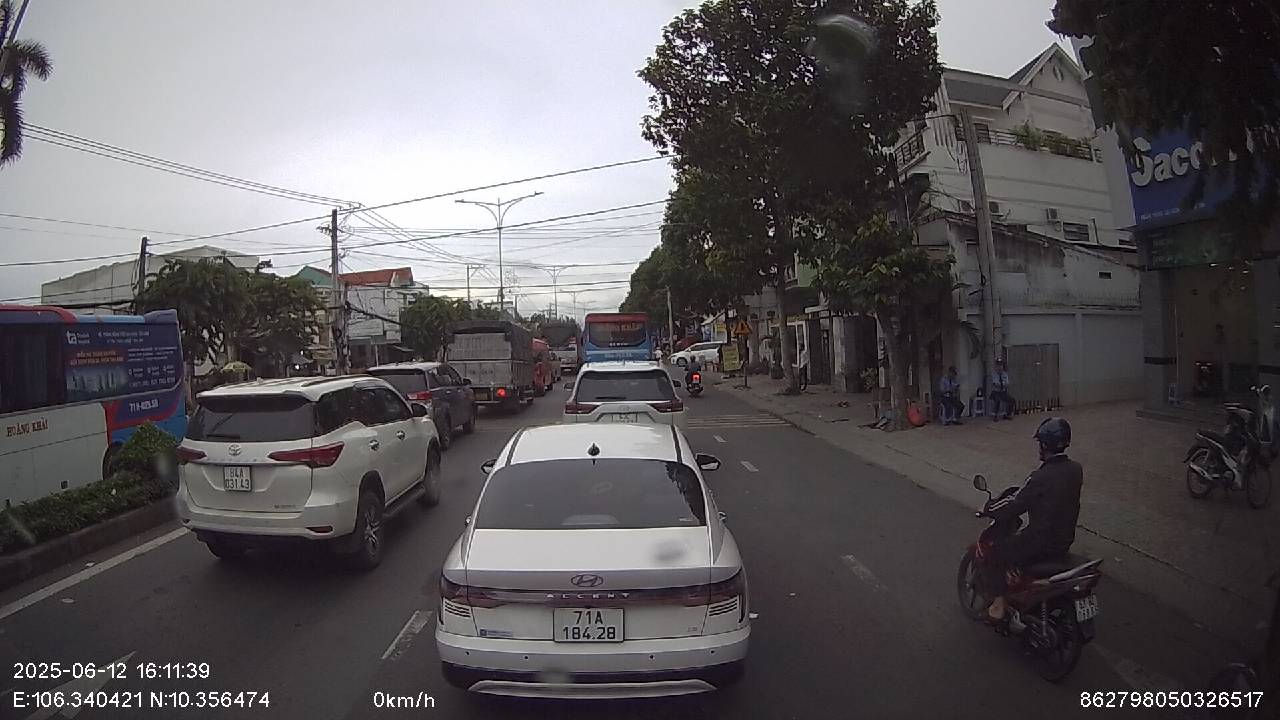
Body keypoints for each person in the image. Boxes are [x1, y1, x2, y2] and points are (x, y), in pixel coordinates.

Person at [983, 417, 1084, 622]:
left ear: (1045, 445)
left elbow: (1015, 502)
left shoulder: (1040, 477)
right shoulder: (1076, 470)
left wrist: (989, 508)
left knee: (995, 550)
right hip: (1063, 541)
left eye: (1040, 443)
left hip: (1039, 542)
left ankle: (998, 606)